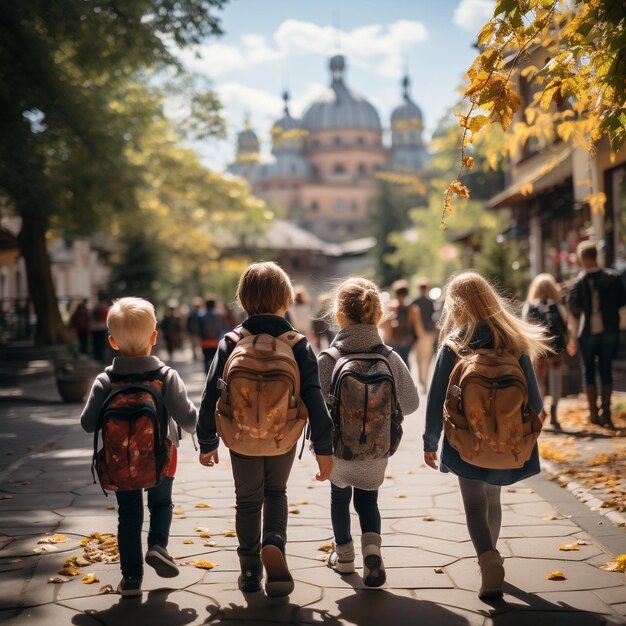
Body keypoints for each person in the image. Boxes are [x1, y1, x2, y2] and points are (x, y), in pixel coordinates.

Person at [196, 262, 333, 597]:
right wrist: (324, 446)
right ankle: (274, 542)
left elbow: (212, 391)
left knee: (246, 500)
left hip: (240, 436)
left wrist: (207, 439)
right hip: (281, 435)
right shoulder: (296, 343)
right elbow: (313, 395)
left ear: (243, 299)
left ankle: (248, 571)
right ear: (285, 300)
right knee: (276, 493)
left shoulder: (232, 340)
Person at [423, 271, 548, 600]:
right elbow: (534, 401)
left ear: (456, 305)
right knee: (493, 500)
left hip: (465, 441)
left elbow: (437, 399)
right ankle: (492, 557)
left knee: (474, 505)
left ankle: (488, 559)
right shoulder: (514, 342)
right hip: (506, 440)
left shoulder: (455, 345)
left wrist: (429, 441)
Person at [80, 297, 198, 597]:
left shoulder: (105, 380)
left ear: (112, 341)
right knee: (161, 504)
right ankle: (158, 545)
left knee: (129, 516)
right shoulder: (166, 376)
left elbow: (88, 424)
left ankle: (131, 579)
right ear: (154, 337)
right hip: (162, 456)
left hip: (119, 460)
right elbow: (188, 420)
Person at [318, 277, 419, 587]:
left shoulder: (329, 360)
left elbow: (315, 404)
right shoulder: (389, 358)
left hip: (339, 449)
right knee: (368, 501)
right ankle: (372, 552)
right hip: (376, 449)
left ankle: (344, 556)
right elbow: (413, 403)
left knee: (339, 497)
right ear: (378, 316)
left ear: (338, 317)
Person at [566, 240, 626, 429]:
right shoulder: (613, 278)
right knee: (606, 369)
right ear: (596, 256)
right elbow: (622, 301)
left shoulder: (578, 282)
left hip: (587, 333)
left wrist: (572, 335)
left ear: (581, 259)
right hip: (609, 330)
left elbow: (573, 309)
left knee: (589, 370)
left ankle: (593, 414)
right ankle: (606, 413)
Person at [523, 273, 568, 430]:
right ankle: (555, 412)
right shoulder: (558, 306)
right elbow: (565, 326)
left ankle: (542, 411)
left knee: (539, 382)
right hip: (556, 349)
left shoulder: (529, 307)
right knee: (556, 381)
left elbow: (525, 329)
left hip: (538, 351)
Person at [382, 279, 424, 367]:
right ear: (406, 294)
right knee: (404, 364)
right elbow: (418, 328)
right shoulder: (412, 309)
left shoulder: (390, 307)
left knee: (392, 365)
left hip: (391, 341)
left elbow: (384, 326)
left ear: (395, 293)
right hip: (406, 341)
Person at [412, 279, 437, 391]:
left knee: (419, 358)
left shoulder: (415, 301)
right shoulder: (429, 301)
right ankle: (424, 382)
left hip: (417, 334)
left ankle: (422, 381)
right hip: (428, 333)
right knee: (426, 359)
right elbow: (433, 317)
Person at [198, 298, 228, 374]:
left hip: (204, 341)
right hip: (216, 341)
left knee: (206, 358)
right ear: (214, 305)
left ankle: (206, 374)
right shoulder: (218, 315)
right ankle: (214, 374)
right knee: (215, 359)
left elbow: (199, 328)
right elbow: (222, 327)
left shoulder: (201, 315)